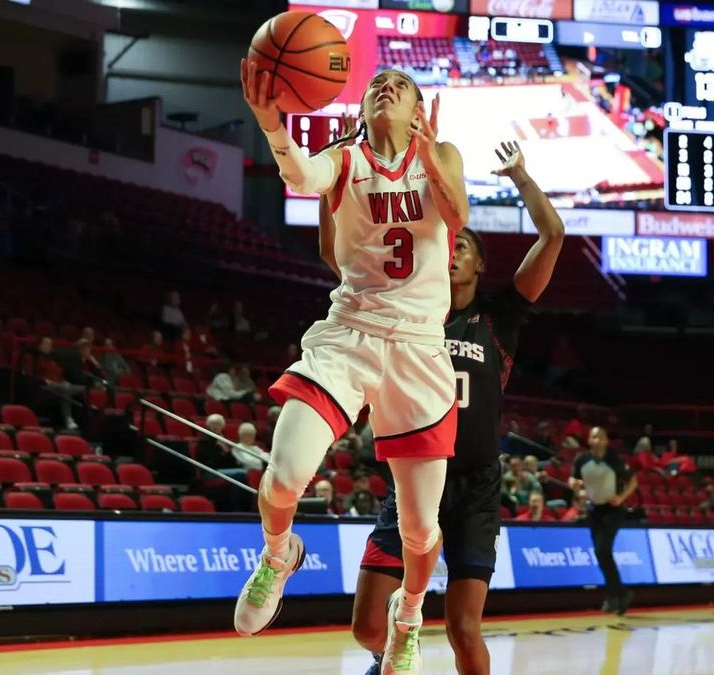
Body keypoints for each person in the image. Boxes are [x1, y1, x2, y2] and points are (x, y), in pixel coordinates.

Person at [237, 61, 470, 675]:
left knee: (421, 531)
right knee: (284, 477)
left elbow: (457, 216)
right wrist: (273, 128)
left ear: (418, 108)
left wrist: (427, 148)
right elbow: (301, 174)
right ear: (361, 108)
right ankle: (278, 554)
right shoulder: (344, 157)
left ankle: (410, 615)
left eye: (398, 85)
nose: (383, 87)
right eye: (374, 85)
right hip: (348, 337)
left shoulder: (441, 152)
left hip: (420, 349)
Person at [351, 139, 563, 675]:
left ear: (480, 265)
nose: (453, 250)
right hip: (413, 479)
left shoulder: (501, 317)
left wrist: (520, 177)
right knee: (366, 627)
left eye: (464, 244)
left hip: (475, 487)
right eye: (448, 242)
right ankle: (393, 648)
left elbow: (553, 235)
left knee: (465, 629)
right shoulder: (408, 311)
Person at [570, 427, 638, 616]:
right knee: (601, 555)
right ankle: (615, 594)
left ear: (607, 440)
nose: (596, 439)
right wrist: (576, 487)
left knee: (603, 550)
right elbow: (573, 479)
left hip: (613, 510)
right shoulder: (582, 460)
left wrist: (621, 497)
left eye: (600, 436)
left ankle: (619, 593)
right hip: (594, 510)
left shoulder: (614, 460)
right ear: (589, 440)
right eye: (593, 436)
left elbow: (633, 480)